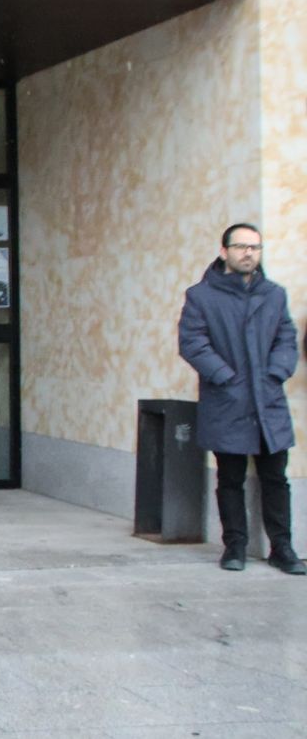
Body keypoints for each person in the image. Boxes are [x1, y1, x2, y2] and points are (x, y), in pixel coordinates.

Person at [178, 223, 303, 574]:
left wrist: (275, 372)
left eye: (255, 247)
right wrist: (226, 377)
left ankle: (283, 548)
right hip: (227, 401)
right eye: (241, 247)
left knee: (276, 479)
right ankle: (234, 547)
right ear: (224, 252)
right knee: (230, 478)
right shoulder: (201, 296)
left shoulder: (274, 294)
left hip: (269, 402)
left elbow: (286, 338)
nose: (248, 253)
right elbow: (193, 343)